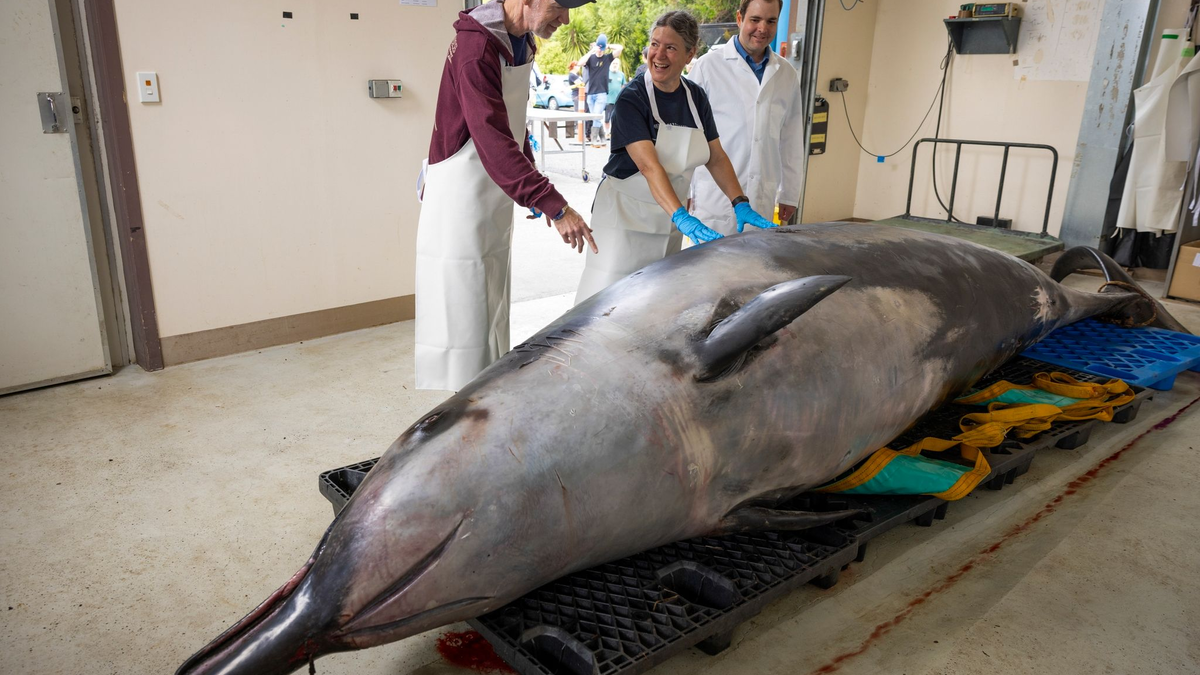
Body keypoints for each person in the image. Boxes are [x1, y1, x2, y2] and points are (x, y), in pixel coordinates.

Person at [415, 0, 598, 392]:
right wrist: (553, 203)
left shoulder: (520, 42)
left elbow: (512, 126)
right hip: (460, 196)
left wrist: (533, 183)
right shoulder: (476, 48)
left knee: (491, 306)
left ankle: (485, 402)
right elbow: (492, 140)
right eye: (558, 6)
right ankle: (461, 417)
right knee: (464, 317)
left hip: (489, 192)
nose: (565, 19)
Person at [574, 9, 776, 304]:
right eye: (655, 44)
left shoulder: (695, 97)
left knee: (652, 302)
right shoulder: (633, 98)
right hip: (624, 219)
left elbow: (715, 157)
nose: (659, 54)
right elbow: (648, 166)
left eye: (671, 47)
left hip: (666, 220)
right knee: (606, 302)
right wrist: (683, 217)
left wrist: (739, 202)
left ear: (690, 54)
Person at [687, 0, 806, 235]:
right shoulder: (707, 67)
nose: (762, 28)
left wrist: (790, 193)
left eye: (771, 21)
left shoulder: (786, 75)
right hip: (714, 197)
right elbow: (688, 134)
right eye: (755, 20)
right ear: (740, 19)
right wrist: (686, 191)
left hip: (762, 195)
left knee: (757, 266)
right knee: (710, 267)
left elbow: (791, 139)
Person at [583, 34, 614, 145]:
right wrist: (591, 51)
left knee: (596, 115)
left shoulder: (607, 58)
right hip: (591, 93)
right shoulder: (591, 58)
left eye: (602, 49)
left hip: (601, 92)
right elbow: (580, 62)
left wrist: (608, 46)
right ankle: (603, 139)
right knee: (595, 117)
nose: (600, 51)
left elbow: (620, 48)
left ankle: (594, 139)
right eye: (599, 48)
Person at [605, 52, 627, 138]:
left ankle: (614, 133)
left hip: (618, 100)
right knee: (607, 118)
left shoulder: (621, 75)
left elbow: (623, 86)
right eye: (613, 63)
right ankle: (607, 132)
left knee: (616, 118)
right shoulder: (607, 73)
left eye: (616, 63)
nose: (615, 65)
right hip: (608, 100)